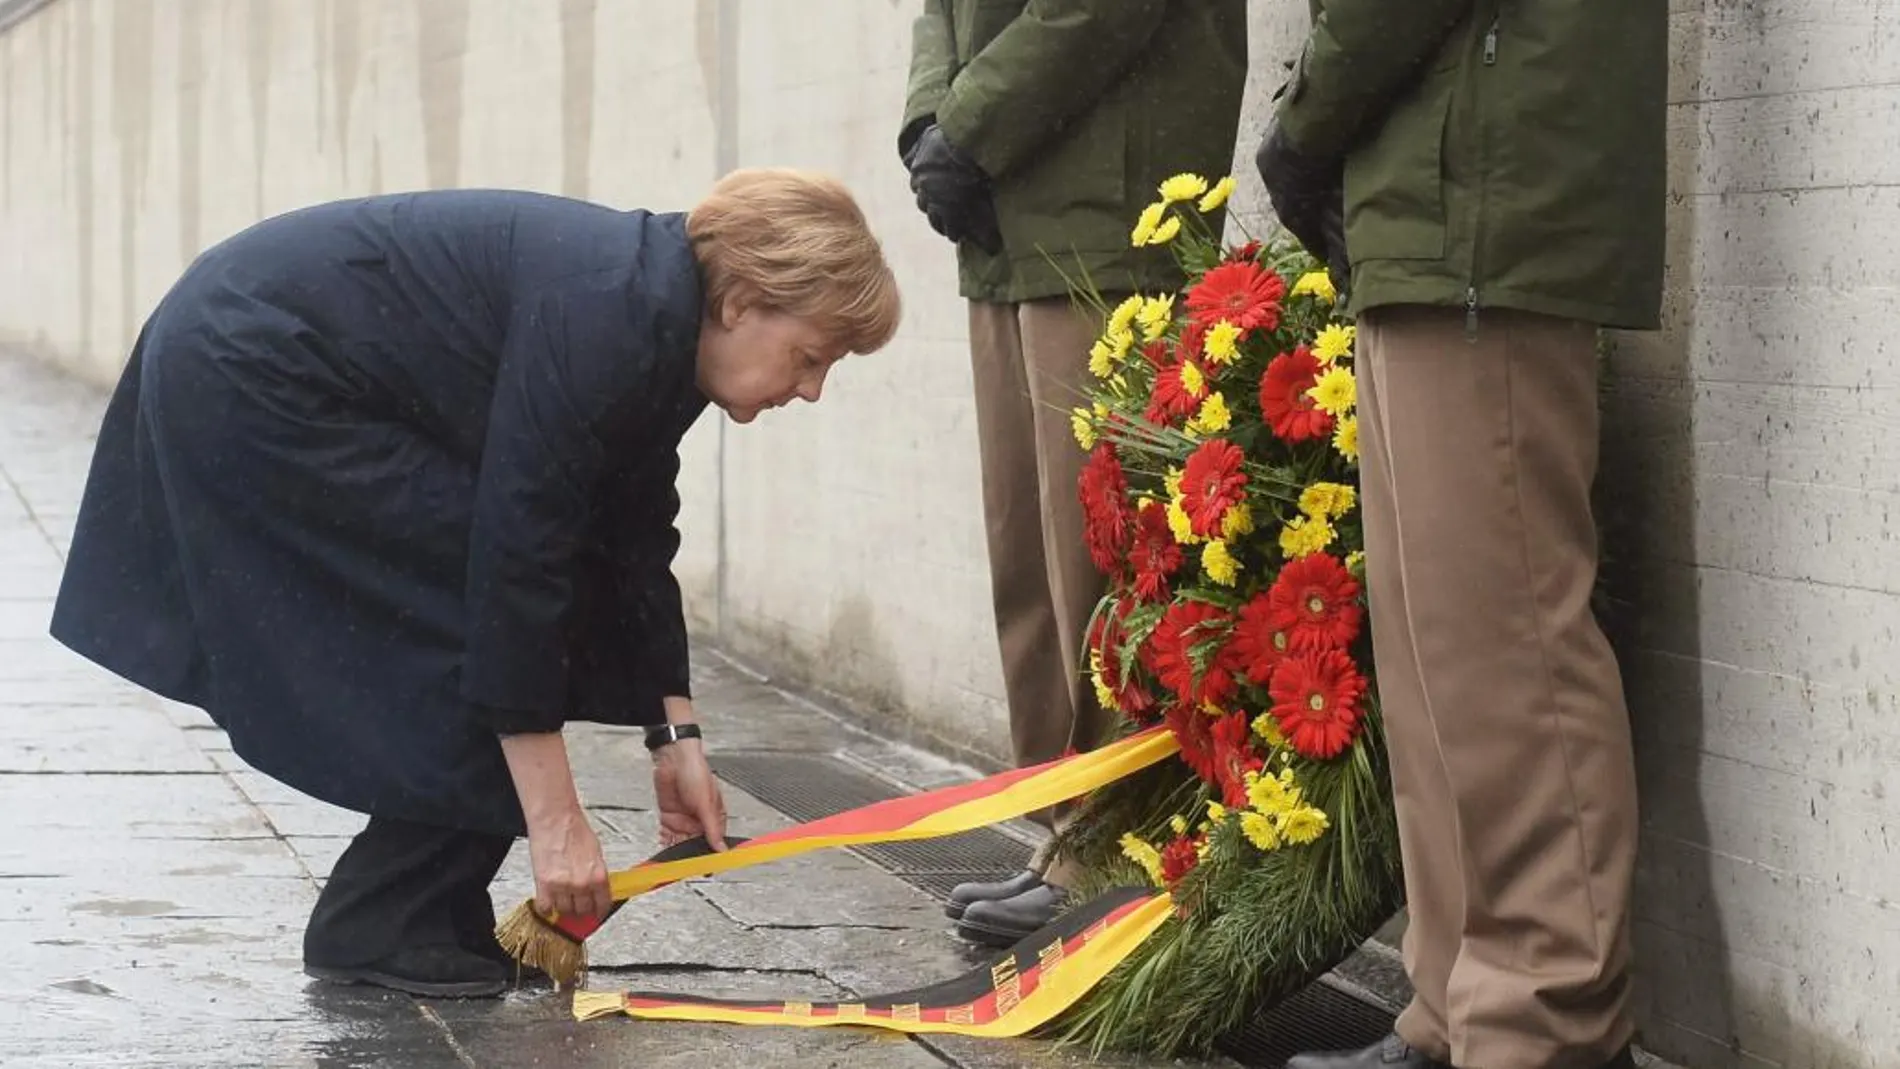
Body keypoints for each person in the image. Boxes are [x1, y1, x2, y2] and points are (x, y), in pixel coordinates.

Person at [49, 170, 902, 999]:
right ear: (741, 303)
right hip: (252, 369)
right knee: (506, 597)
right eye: (811, 355)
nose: (813, 389)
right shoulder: (610, 313)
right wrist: (556, 821)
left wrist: (674, 734)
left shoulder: (659, 320)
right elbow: (519, 557)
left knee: (539, 595)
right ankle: (382, 918)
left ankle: (423, 910)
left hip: (262, 350)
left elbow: (634, 532)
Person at [1253, 2, 1664, 1068]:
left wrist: (1306, 123)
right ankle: (1459, 1008)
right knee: (1439, 658)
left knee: (1503, 646)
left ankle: (1547, 1023)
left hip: (1483, 192)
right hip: (1437, 199)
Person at [898, 0, 1247, 947]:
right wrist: (931, 124)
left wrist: (966, 128)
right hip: (1000, 218)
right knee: (1029, 561)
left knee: (1100, 568)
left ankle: (1118, 848)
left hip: (1106, 211)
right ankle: (1063, 834)